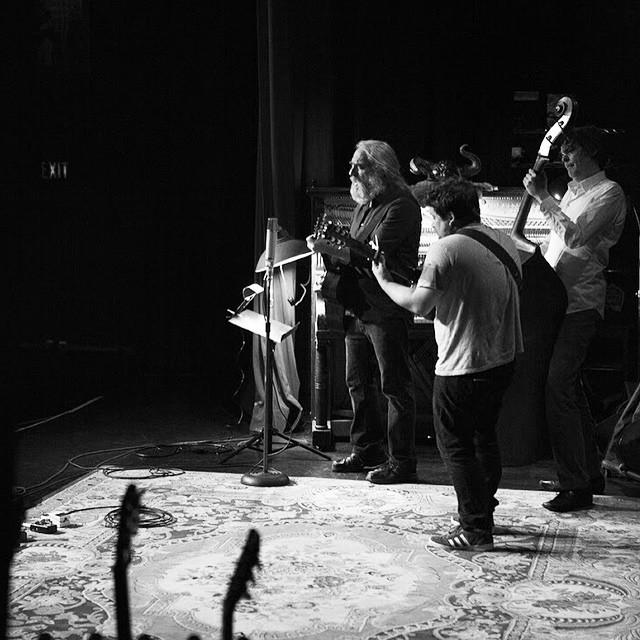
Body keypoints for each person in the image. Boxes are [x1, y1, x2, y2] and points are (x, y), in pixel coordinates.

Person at [372, 177, 522, 551]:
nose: (432, 227)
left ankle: (474, 530)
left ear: (451, 217)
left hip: (462, 364)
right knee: (484, 437)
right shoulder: (503, 240)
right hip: (502, 359)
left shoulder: (446, 248)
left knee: (454, 445)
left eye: (434, 219)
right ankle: (483, 513)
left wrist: (383, 279)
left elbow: (419, 305)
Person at [523, 125, 627, 513]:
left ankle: (576, 485)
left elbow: (576, 239)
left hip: (581, 303)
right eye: (563, 151)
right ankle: (589, 473)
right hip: (556, 302)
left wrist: (542, 198)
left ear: (594, 154)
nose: (564, 158)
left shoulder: (609, 193)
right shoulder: (571, 193)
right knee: (570, 389)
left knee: (558, 387)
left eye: (572, 151)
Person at [307, 140, 421, 484]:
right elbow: (351, 254)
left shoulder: (401, 206)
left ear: (379, 169)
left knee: (394, 386)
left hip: (386, 308)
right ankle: (367, 449)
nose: (351, 172)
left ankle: (402, 461)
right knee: (357, 381)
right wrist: (327, 250)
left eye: (359, 166)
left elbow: (375, 258)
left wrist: (335, 247)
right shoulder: (363, 207)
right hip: (358, 305)